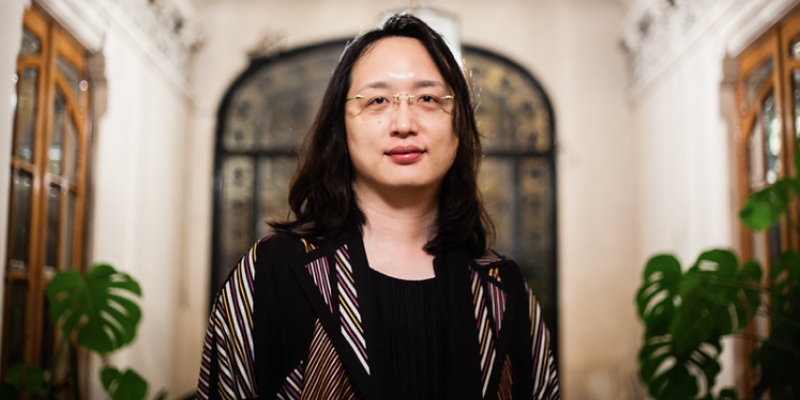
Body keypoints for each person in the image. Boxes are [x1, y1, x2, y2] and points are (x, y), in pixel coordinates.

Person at [197, 13, 559, 400]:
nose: (404, 123)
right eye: (377, 100)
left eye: (428, 98)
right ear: (342, 126)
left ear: (460, 126)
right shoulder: (272, 271)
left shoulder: (503, 290)